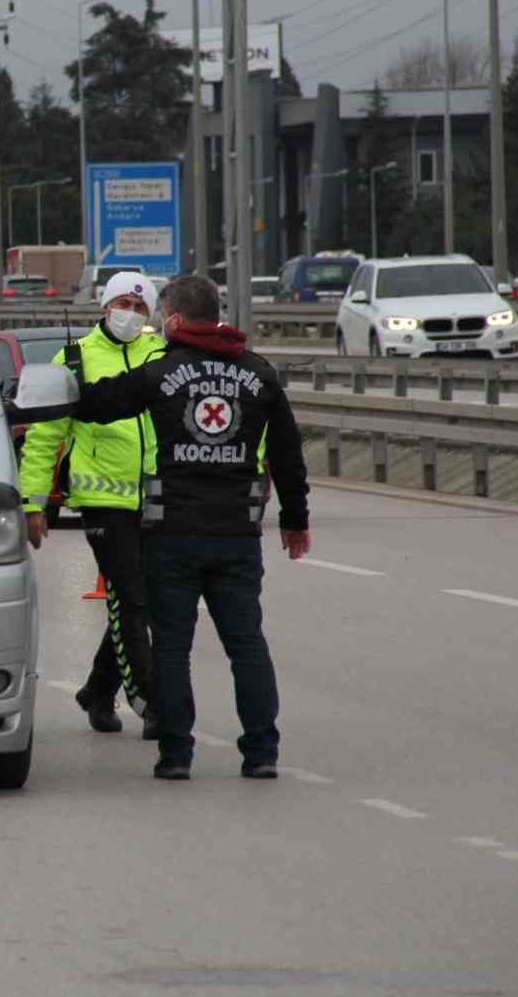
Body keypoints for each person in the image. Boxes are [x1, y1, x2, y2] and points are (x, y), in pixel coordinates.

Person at [67, 274, 311, 781]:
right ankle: (262, 752)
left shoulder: (161, 371)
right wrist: (295, 520)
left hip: (171, 533)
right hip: (237, 535)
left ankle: (176, 754)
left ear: (174, 319)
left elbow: (97, 404)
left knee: (173, 647)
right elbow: (287, 453)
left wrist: (67, 377)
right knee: (247, 644)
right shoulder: (259, 373)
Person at [20, 271, 163, 739]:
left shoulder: (163, 355)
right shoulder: (75, 358)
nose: (131, 314)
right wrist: (32, 502)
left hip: (160, 496)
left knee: (144, 600)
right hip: (103, 501)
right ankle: (151, 701)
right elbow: (44, 437)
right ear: (105, 306)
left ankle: (98, 691)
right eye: (124, 304)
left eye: (141, 308)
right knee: (131, 599)